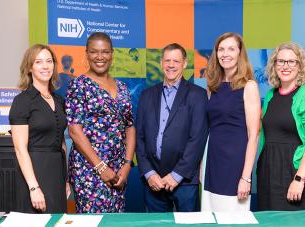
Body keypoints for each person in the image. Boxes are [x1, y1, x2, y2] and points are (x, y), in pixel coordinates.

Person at [66, 32, 136, 213]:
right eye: (94, 52)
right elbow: (74, 131)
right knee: (93, 222)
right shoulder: (79, 85)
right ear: (87, 54)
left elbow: (129, 126)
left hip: (118, 170)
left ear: (112, 54)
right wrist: (100, 167)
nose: (100, 57)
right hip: (89, 169)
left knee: (115, 221)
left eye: (105, 52)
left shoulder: (122, 87)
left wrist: (127, 164)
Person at [135, 43, 208, 212]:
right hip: (154, 181)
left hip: (184, 181)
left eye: (176, 61)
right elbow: (140, 138)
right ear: (161, 63)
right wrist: (149, 173)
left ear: (184, 64)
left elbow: (197, 139)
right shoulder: (147, 95)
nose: (171, 65)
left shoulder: (198, 95)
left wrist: (176, 175)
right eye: (167, 60)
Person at [257, 43, 305, 211]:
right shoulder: (270, 95)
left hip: (297, 173)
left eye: (292, 62)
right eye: (280, 61)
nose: (285, 66)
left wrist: (299, 179)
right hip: (270, 173)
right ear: (274, 65)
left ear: (300, 66)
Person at [201, 32, 261, 211]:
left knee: (232, 217)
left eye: (231, 49)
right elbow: (210, 130)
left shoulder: (249, 86)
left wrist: (246, 177)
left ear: (240, 53)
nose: (225, 54)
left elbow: (254, 136)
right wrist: (201, 166)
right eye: (221, 49)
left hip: (235, 166)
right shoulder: (213, 86)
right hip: (212, 163)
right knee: (210, 218)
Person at [9, 44, 69, 213]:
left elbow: (61, 142)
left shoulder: (58, 100)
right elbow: (20, 149)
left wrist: (65, 180)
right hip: (34, 172)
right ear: (29, 67)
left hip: (57, 172)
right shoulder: (22, 101)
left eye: (49, 61)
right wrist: (33, 188)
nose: (45, 66)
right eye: (38, 62)